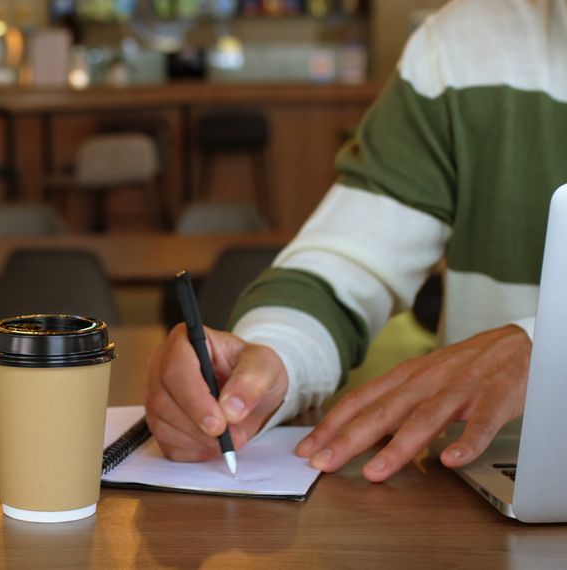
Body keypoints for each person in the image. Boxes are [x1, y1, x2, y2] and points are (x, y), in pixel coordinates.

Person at [147, 0, 567, 482]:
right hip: (473, 501)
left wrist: (547, 351)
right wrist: (272, 357)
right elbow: (349, 263)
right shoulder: (460, 45)